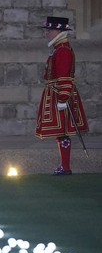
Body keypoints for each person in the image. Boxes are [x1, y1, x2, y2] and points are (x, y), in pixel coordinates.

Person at [35, 16, 89, 176]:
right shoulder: (59, 49)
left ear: (58, 31)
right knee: (60, 132)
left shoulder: (63, 50)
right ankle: (64, 166)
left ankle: (65, 167)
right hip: (56, 93)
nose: (47, 34)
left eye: (50, 31)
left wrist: (63, 98)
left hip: (60, 94)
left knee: (62, 131)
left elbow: (65, 77)